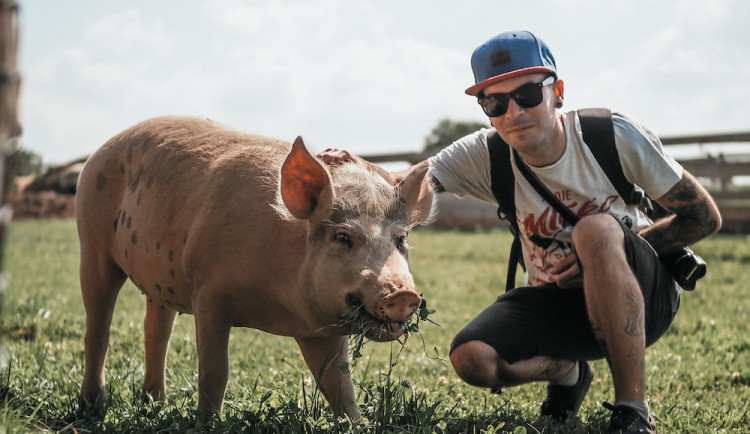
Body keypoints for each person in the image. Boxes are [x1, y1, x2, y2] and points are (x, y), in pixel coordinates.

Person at [321, 30, 721, 433]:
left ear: (558, 92)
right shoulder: (485, 153)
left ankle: (632, 409)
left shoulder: (611, 136)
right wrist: (354, 164)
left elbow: (704, 217)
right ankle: (566, 372)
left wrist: (603, 251)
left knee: (596, 232)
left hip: (644, 300)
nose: (513, 112)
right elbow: (407, 183)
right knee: (470, 358)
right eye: (494, 102)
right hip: (557, 302)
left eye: (528, 94)